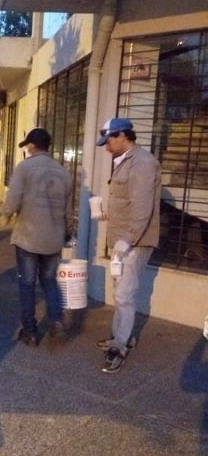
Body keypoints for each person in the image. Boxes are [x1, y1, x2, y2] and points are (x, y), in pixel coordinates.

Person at [95, 117, 161, 374]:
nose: (106, 146)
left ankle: (120, 346)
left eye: (109, 140)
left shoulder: (143, 163)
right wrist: (105, 213)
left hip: (133, 241)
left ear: (123, 136)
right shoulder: (125, 161)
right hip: (122, 241)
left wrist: (127, 240)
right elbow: (127, 203)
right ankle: (123, 336)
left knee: (124, 294)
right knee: (119, 290)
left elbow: (142, 209)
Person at [2, 128, 73, 346]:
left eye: (28, 145)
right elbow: (68, 210)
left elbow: (13, 199)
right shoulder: (63, 172)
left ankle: (31, 332)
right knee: (50, 281)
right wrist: (67, 232)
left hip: (28, 237)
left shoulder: (24, 168)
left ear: (32, 146)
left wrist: (6, 215)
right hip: (53, 238)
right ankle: (56, 322)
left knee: (27, 284)